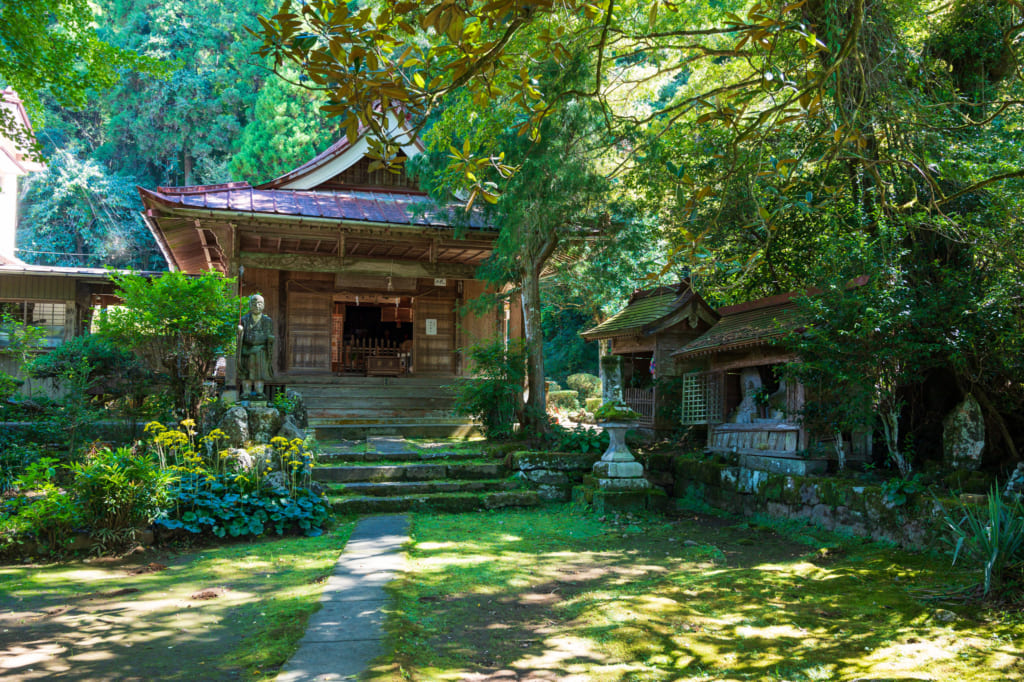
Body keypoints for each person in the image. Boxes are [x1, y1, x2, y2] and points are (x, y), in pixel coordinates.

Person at [238, 294, 274, 399]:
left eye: (259, 303)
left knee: (259, 374)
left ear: (263, 305)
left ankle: (259, 392)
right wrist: (240, 332)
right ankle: (246, 392)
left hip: (261, 351)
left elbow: (269, 335)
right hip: (247, 350)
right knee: (246, 373)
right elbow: (240, 338)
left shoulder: (268, 321)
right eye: (254, 304)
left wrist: (270, 339)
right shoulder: (244, 320)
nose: (257, 306)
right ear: (250, 305)